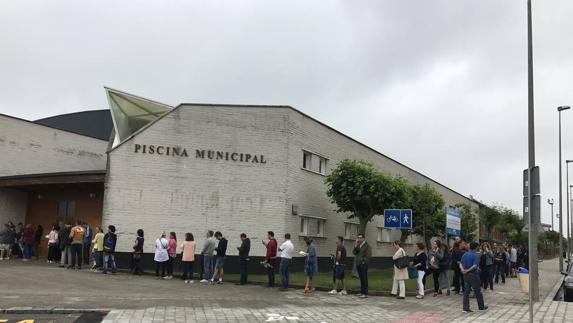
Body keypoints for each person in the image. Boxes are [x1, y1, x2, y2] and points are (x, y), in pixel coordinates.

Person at [460, 242, 487, 313]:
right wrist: (468, 270)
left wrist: (463, 270)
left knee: (466, 292)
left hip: (465, 276)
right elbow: (475, 266)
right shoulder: (476, 255)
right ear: (476, 248)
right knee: (478, 291)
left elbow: (460, 263)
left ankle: (465, 308)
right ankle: (481, 307)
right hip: (473, 275)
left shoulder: (465, 254)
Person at [353, 233, 371, 298]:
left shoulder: (367, 246)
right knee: (361, 279)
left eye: (360, 238)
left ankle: (365, 293)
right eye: (358, 238)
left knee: (364, 278)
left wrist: (363, 262)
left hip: (363, 265)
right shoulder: (358, 245)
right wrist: (355, 244)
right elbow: (354, 252)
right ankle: (362, 292)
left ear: (363, 238)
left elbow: (368, 256)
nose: (359, 239)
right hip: (358, 264)